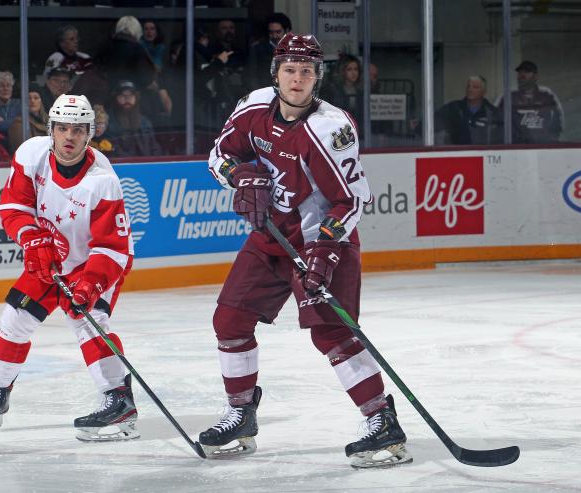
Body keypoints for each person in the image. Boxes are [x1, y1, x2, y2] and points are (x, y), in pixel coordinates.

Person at [200, 33, 411, 468]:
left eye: (308, 71)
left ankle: (382, 421)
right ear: (276, 73)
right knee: (230, 319)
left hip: (322, 240)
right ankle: (241, 414)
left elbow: (350, 199)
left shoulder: (331, 128)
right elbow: (219, 154)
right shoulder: (255, 106)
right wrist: (239, 175)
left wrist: (327, 251)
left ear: (318, 78)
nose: (298, 79)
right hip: (271, 236)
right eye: (290, 69)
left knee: (331, 332)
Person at [0, 94, 138, 443]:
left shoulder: (102, 179)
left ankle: (119, 401)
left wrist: (89, 285)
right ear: (51, 129)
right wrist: (31, 239)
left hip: (95, 261)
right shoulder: (31, 154)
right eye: (61, 128)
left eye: (77, 129)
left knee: (88, 323)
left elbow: (112, 247)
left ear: (89, 133)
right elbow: (14, 205)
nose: (68, 137)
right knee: (15, 318)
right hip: (51, 255)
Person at [495, 60, 564, 144]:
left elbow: (559, 121)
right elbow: (495, 122)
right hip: (515, 148)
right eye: (520, 72)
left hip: (543, 146)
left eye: (527, 72)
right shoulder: (507, 96)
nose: (522, 75)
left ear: (536, 76)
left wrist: (551, 141)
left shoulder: (547, 94)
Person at [433, 75, 502, 145]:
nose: (470, 89)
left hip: (484, 153)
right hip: (459, 153)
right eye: (468, 86)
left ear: (483, 92)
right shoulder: (453, 108)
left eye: (475, 87)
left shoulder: (492, 112)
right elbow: (431, 124)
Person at [107, 80, 162, 157]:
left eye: (131, 95)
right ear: (116, 98)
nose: (127, 99)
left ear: (136, 98)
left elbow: (154, 147)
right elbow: (112, 151)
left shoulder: (144, 122)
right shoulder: (109, 123)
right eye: (122, 95)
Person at [248, 12, 292, 90]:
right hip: (265, 93)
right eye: (271, 32)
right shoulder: (257, 49)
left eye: (278, 32)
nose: (274, 36)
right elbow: (251, 75)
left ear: (287, 30)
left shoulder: (295, 49)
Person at [7, 84, 49, 153]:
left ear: (41, 101)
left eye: (36, 98)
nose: (32, 101)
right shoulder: (18, 124)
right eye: (28, 98)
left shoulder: (50, 121)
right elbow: (25, 151)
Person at [0, 71, 21, 137]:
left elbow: (25, 124)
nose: (6, 89)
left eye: (8, 85)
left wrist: (3, 122)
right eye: (2, 86)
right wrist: (16, 121)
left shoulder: (20, 104)